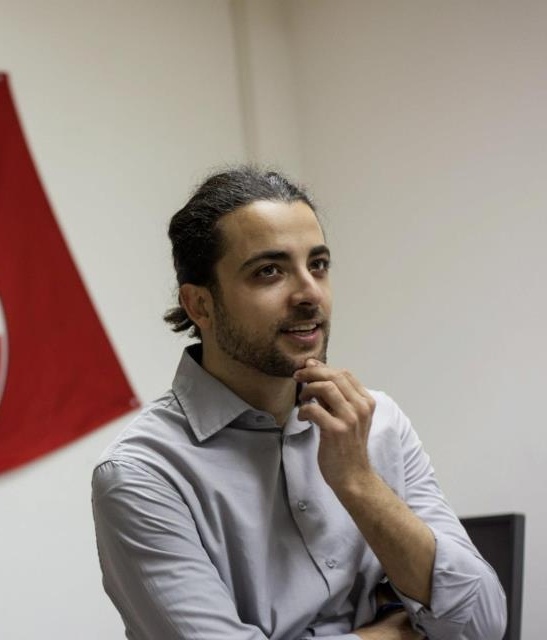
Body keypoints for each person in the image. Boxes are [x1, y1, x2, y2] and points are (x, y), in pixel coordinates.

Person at [92, 166, 506, 639]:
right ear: (200, 305)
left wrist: (358, 482)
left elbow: (482, 623)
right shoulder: (141, 473)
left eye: (318, 265)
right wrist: (393, 634)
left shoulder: (378, 423)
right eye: (269, 271)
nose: (310, 293)